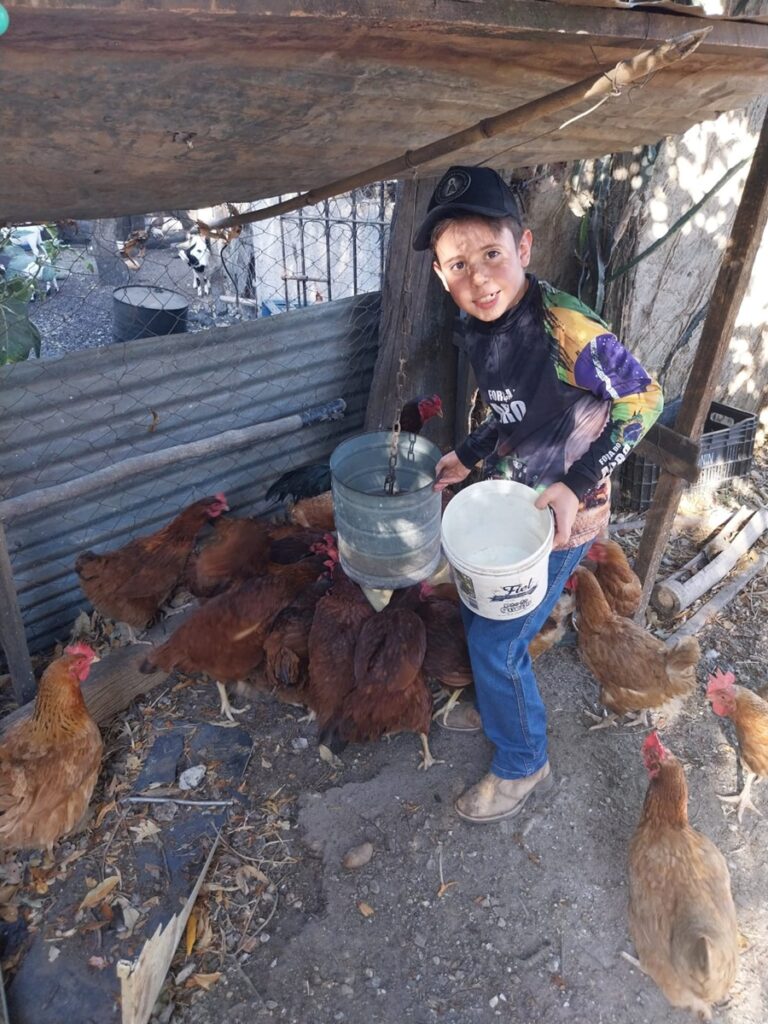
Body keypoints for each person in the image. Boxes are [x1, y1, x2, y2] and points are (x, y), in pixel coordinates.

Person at [413, 165, 663, 824]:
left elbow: (645, 398)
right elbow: (515, 411)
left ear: (523, 247)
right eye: (459, 264)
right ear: (441, 275)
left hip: (562, 521)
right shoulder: (480, 325)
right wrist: (468, 454)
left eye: (491, 255)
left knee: (499, 643)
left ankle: (525, 760)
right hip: (515, 500)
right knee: (479, 611)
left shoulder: (563, 327)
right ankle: (502, 704)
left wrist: (578, 486)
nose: (479, 276)